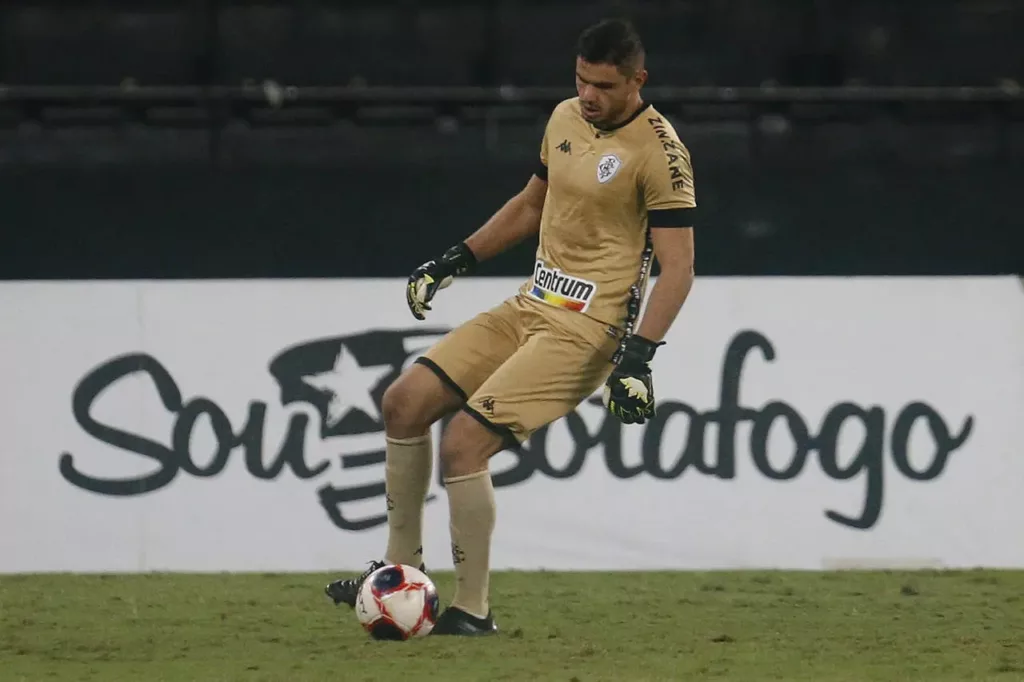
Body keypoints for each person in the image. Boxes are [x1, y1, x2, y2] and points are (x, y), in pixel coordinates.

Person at [324, 17, 697, 636]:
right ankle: (399, 576)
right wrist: (456, 260)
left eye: (604, 86)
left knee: (464, 443)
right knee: (403, 403)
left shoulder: (660, 152)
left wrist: (638, 359)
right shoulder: (563, 119)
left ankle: (472, 611)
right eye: (581, 81)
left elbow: (679, 268)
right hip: (530, 305)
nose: (589, 96)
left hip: (587, 331)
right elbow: (531, 203)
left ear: (638, 80)